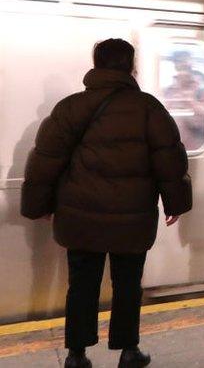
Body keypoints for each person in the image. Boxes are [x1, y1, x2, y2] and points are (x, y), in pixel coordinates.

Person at [21, 38, 192, 368]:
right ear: (131, 67)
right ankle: (128, 351)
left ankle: (76, 354)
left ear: (96, 65)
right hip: (132, 218)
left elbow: (45, 161)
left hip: (81, 216)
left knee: (81, 285)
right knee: (128, 285)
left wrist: (38, 205)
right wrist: (175, 203)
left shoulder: (70, 108)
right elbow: (169, 161)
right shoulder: (149, 108)